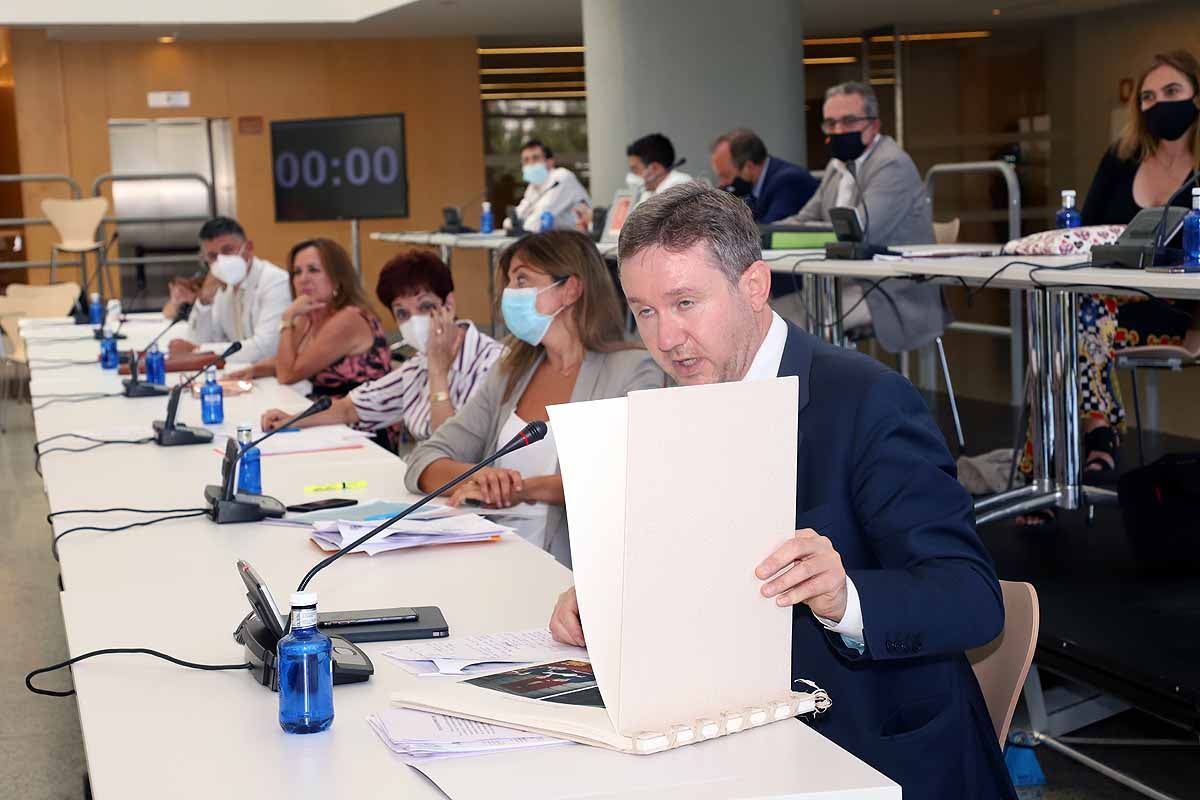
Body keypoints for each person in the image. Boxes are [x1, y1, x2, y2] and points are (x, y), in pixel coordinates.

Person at [549, 184, 1013, 800]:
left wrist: (844, 595)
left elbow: (972, 598)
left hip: (868, 749)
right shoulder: (674, 405)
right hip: (724, 734)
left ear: (755, 287)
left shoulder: (868, 401)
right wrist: (611, 597)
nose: (664, 338)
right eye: (646, 310)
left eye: (686, 302)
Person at [403, 231, 663, 564]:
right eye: (509, 282)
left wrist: (522, 488)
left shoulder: (632, 370)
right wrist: (481, 477)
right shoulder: (510, 372)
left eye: (522, 278)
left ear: (570, 289)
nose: (510, 294)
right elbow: (423, 461)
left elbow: (625, 480)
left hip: (571, 571)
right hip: (490, 557)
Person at [1050, 50, 1200, 487]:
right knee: (1060, 328)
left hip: (1177, 313)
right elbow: (1091, 233)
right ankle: (1093, 436)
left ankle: (1065, 461)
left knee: (1066, 331)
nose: (1159, 105)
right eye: (1148, 98)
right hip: (1112, 304)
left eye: (1172, 91)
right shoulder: (1122, 157)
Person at [260, 250, 503, 448]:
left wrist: (438, 372)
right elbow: (351, 408)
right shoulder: (418, 365)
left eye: (425, 306)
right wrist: (294, 419)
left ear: (448, 304)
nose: (415, 320)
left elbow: (451, 448)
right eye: (402, 313)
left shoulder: (491, 362)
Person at [780, 81, 949, 354]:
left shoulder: (891, 164)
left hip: (893, 293)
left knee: (793, 324)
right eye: (830, 124)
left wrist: (805, 232)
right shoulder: (837, 167)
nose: (838, 131)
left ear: (874, 125)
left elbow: (860, 232)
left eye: (848, 122)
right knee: (769, 314)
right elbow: (804, 219)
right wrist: (763, 233)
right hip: (842, 284)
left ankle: (825, 395)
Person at [226, 238, 390, 397]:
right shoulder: (308, 316)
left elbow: (287, 376)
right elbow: (287, 361)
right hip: (326, 412)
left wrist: (287, 318)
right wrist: (254, 370)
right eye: (297, 272)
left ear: (337, 278)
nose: (303, 279)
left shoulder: (348, 319)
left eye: (313, 270)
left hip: (359, 420)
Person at [167, 217, 292, 363]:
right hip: (237, 374)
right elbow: (200, 339)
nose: (221, 261)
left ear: (249, 248)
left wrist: (198, 350)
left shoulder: (275, 282)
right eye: (212, 256)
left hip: (274, 377)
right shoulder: (222, 285)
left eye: (227, 250)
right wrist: (204, 301)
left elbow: (266, 348)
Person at [709, 128, 817, 223]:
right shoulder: (754, 189)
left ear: (749, 167)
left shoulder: (789, 182)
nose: (722, 184)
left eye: (725, 175)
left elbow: (768, 233)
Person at [507, 139, 591, 233]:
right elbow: (518, 214)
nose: (530, 164)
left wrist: (516, 228)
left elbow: (540, 217)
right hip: (558, 239)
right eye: (526, 160)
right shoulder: (533, 186)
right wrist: (510, 223)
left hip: (580, 240)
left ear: (549, 162)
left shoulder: (561, 177)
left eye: (535, 158)